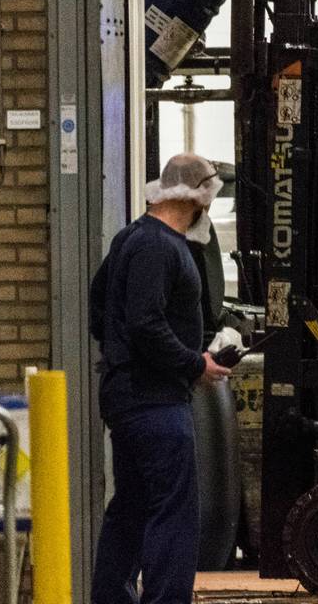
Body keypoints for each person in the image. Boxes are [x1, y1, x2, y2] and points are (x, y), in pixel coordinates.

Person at [89, 153, 232, 604]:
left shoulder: (130, 237)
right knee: (174, 513)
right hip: (154, 403)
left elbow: (101, 308)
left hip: (130, 397)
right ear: (199, 198)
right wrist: (196, 365)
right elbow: (146, 324)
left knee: (131, 507)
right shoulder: (160, 246)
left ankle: (111, 597)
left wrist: (120, 353)